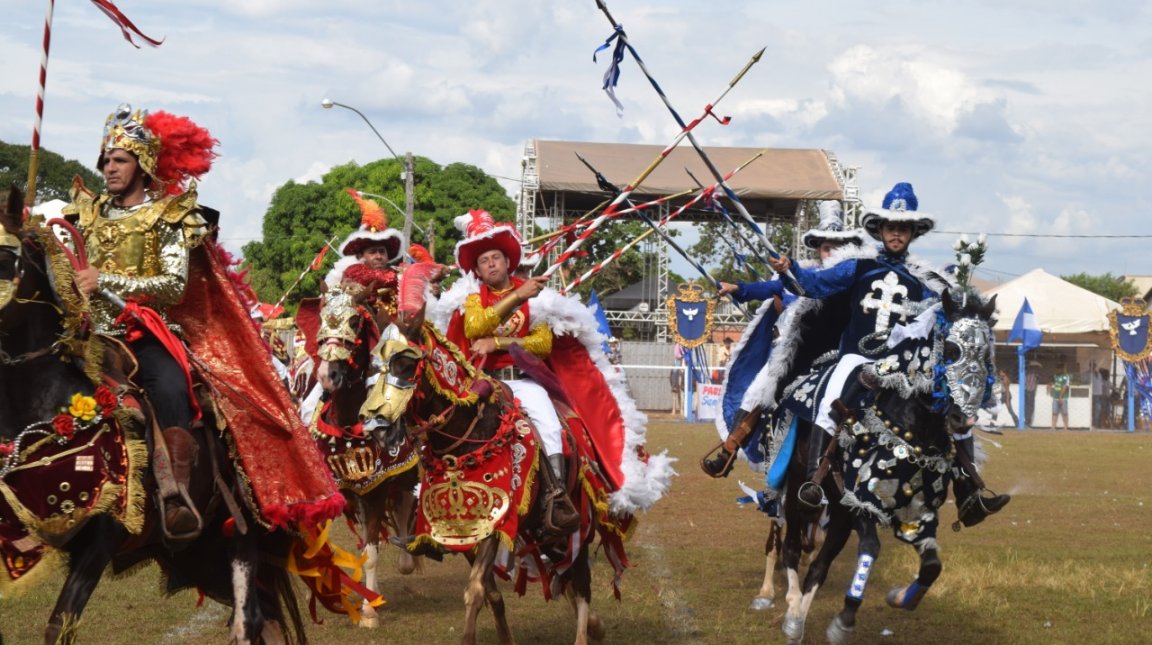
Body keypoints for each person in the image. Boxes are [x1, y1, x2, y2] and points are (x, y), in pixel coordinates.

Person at [68, 104, 341, 539]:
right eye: (105, 160)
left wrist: (105, 280)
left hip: (144, 332)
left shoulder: (168, 216)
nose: (109, 168)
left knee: (170, 387)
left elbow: (173, 286)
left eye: (119, 160)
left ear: (143, 164)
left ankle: (175, 492)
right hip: (88, 334)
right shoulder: (84, 213)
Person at [768, 183, 1009, 522]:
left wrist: (967, 303)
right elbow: (815, 286)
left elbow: (951, 315)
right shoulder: (858, 266)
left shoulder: (925, 280)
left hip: (903, 364)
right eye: (891, 227)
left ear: (913, 233)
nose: (896, 233)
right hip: (855, 356)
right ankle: (814, 482)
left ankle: (970, 493)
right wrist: (789, 268)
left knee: (952, 408)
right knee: (828, 402)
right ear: (879, 229)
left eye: (903, 228)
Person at [704, 200, 862, 477]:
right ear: (818, 248)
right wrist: (737, 288)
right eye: (827, 247)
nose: (831, 252)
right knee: (755, 391)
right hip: (789, 355)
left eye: (837, 247)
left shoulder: (848, 277)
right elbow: (768, 288)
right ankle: (728, 451)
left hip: (831, 355)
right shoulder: (799, 273)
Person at [1050, 361, 1071, 430]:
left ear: (1062, 369)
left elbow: (1065, 387)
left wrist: (1060, 397)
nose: (1058, 369)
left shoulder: (1066, 376)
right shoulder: (1055, 376)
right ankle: (1053, 427)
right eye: (1057, 368)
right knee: (1054, 412)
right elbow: (1052, 383)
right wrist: (1049, 385)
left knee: (1065, 413)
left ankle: (1065, 427)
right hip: (1055, 397)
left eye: (1059, 368)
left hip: (1063, 398)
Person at [1025, 361, 1041, 427]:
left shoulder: (1029, 372)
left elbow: (1037, 380)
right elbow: (1037, 381)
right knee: (1029, 406)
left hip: (1029, 389)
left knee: (1029, 406)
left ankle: (1028, 421)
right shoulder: (1032, 372)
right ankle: (1027, 421)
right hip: (1030, 389)